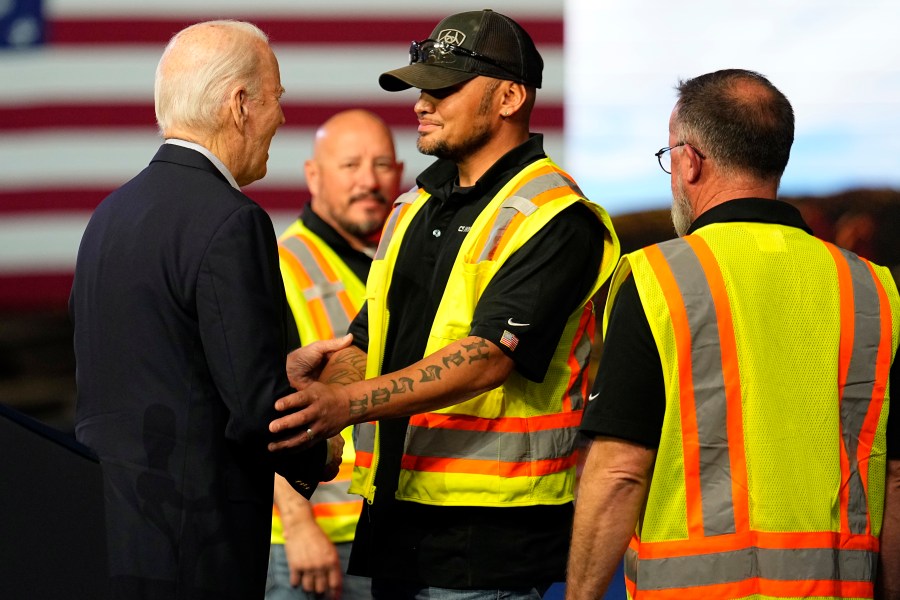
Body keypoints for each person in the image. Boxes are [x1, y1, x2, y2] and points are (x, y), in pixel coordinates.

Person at [267, 9, 620, 599]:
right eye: (421, 88)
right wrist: (317, 416)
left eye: (444, 87)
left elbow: (487, 357)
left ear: (509, 97)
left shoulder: (557, 218)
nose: (421, 104)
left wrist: (344, 403)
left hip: (489, 547)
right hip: (395, 531)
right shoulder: (411, 210)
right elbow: (364, 338)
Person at [566, 69, 900, 600]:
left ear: (691, 160)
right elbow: (893, 477)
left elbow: (621, 470)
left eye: (668, 155)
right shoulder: (872, 289)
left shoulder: (659, 278)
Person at [69, 20, 342, 600]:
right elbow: (252, 409)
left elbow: (159, 367)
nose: (283, 119)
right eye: (277, 98)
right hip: (196, 544)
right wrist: (321, 446)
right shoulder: (232, 221)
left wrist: (278, 371)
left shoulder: (107, 219)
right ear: (240, 105)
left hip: (110, 534)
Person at [268, 109, 402, 600]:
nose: (368, 180)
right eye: (350, 165)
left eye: (382, 164)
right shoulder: (279, 266)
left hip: (380, 531)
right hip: (311, 543)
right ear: (313, 175)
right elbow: (254, 409)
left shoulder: (388, 265)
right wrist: (299, 525)